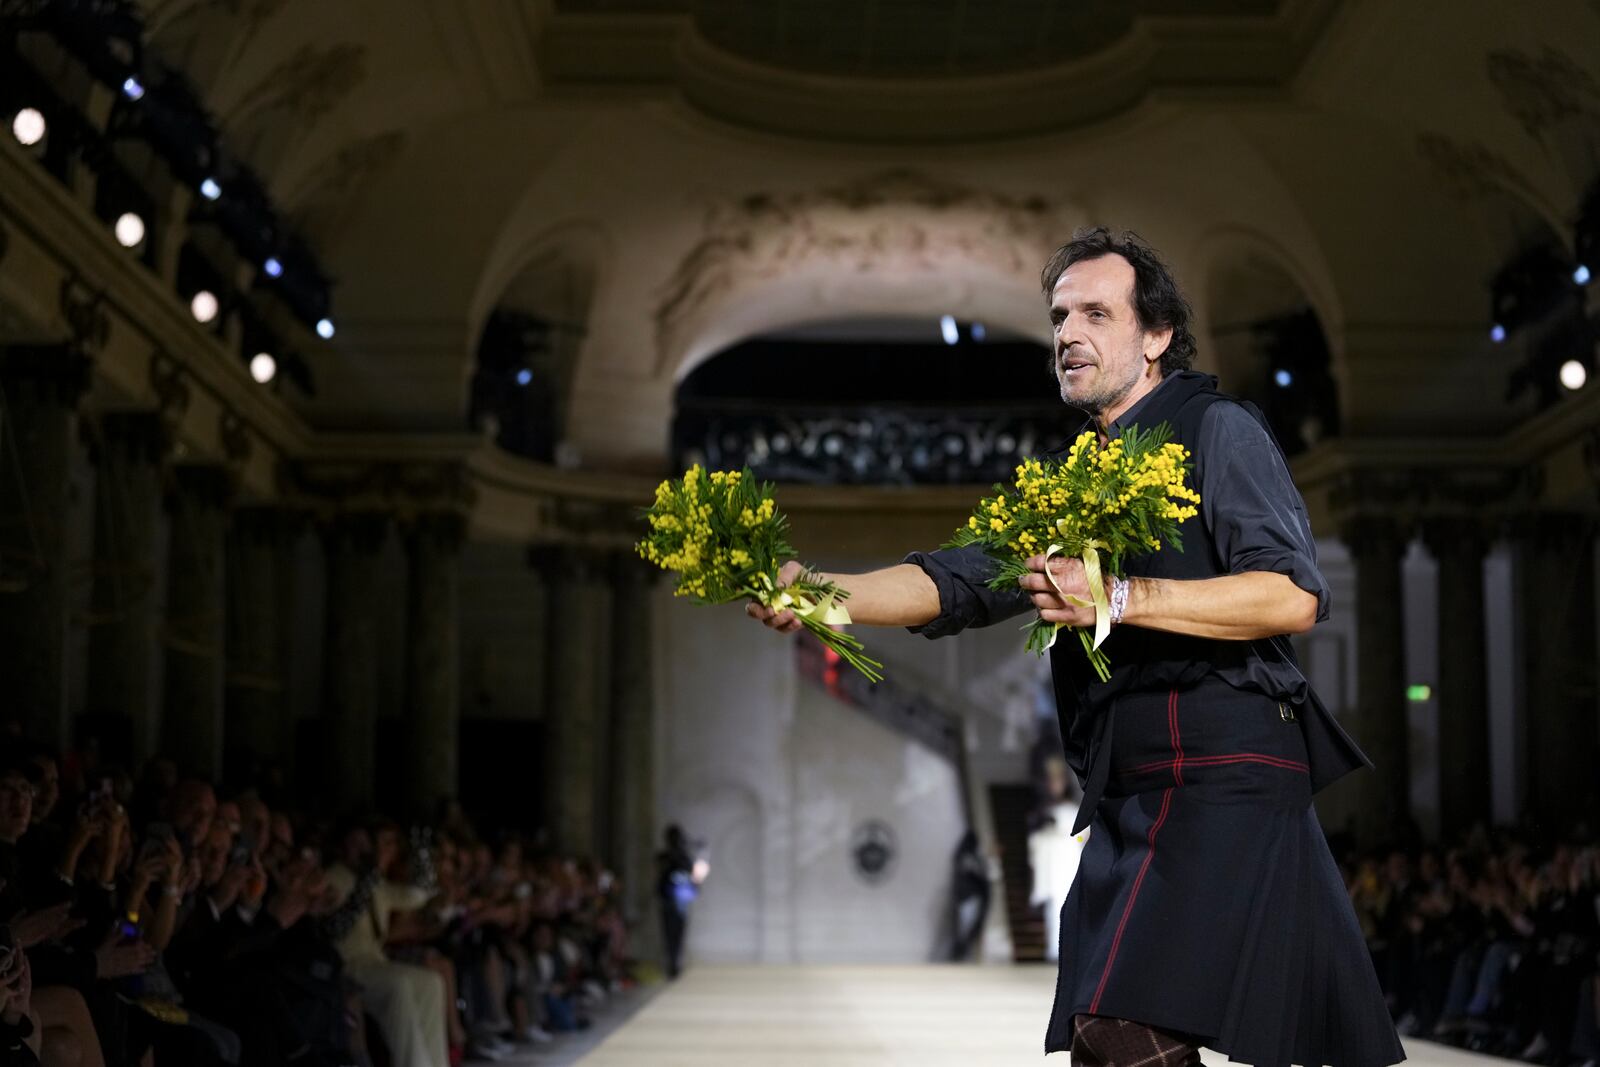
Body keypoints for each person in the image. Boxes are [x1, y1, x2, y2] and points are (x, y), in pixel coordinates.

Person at [748, 228, 1403, 1067]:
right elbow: (957, 579)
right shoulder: (1064, 484)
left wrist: (1123, 597)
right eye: (1060, 315)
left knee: (1120, 1025)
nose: (1067, 333)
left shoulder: (1218, 429)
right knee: (1105, 1040)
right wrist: (814, 594)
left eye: (1097, 312)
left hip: (1221, 773)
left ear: (1157, 336)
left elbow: (1291, 594)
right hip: (1131, 791)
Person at [655, 825, 705, 979]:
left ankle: (675, 962)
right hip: (668, 899)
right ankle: (672, 962)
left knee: (677, 932)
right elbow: (660, 870)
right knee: (669, 933)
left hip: (680, 899)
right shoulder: (665, 856)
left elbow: (694, 876)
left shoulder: (684, 857)